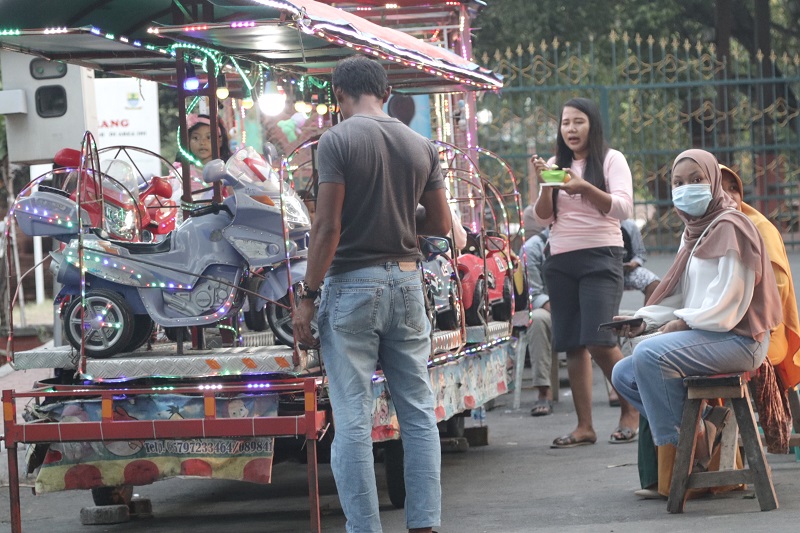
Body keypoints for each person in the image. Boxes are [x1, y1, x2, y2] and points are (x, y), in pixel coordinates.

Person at [293, 55, 450, 533]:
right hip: (406, 282)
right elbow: (441, 224)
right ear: (385, 93)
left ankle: (365, 528)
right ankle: (424, 524)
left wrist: (307, 294)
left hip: (351, 286)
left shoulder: (336, 141)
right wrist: (402, 213)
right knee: (418, 412)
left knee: (354, 417)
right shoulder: (420, 144)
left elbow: (328, 226)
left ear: (339, 95)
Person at [611, 149, 782, 497]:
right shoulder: (694, 233)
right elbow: (681, 297)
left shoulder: (733, 228)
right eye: (677, 182)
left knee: (649, 356)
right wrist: (641, 321)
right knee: (623, 373)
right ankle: (702, 431)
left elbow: (729, 305)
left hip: (739, 340)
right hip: (708, 333)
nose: (686, 188)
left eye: (695, 180)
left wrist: (678, 324)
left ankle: (690, 451)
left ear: (714, 183)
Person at [532, 97, 639, 448]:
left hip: (601, 258)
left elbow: (622, 207)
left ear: (592, 124)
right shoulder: (555, 164)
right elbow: (543, 218)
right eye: (565, 123)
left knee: (599, 338)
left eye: (578, 122)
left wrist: (584, 188)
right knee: (573, 344)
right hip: (561, 260)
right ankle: (584, 427)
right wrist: (547, 183)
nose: (571, 129)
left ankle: (632, 409)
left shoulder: (611, 159)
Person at [515, 228, 554, 416]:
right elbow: (535, 295)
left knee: (625, 322)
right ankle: (543, 391)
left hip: (580, 307)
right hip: (549, 309)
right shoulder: (532, 248)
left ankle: (619, 389)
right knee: (536, 319)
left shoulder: (586, 240)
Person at [174, 113, 231, 203]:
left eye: (208, 137)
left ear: (219, 141)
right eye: (196, 138)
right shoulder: (182, 173)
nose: (202, 142)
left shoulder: (227, 170)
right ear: (187, 141)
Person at [621, 219, 661, 304]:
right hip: (606, 272)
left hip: (627, 270)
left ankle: (646, 315)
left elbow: (640, 253)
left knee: (654, 284)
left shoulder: (629, 225)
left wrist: (634, 263)